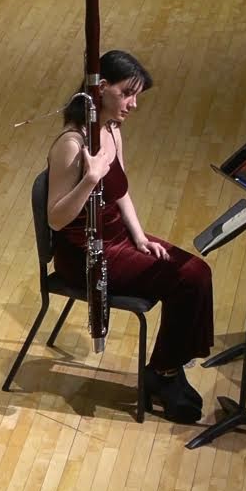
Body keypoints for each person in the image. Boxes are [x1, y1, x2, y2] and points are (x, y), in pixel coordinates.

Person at [46, 50, 213, 423]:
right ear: (102, 88)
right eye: (127, 93)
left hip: (118, 238)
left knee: (197, 271)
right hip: (84, 254)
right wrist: (90, 178)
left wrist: (139, 237)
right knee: (185, 280)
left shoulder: (111, 130)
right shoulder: (71, 144)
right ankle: (163, 373)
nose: (134, 104)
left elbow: (120, 190)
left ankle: (167, 366)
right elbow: (56, 219)